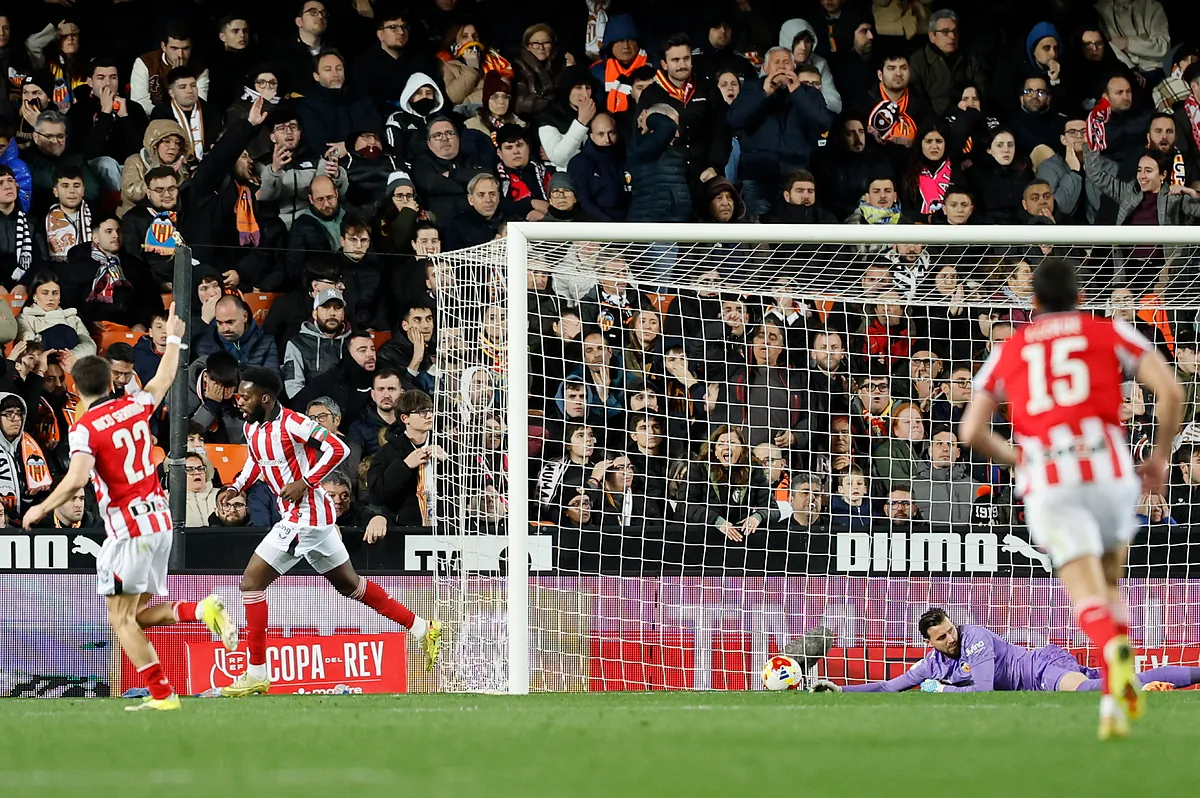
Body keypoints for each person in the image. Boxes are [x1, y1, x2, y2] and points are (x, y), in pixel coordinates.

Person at [959, 256, 1184, 738]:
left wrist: (1019, 458)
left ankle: (1113, 668)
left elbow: (971, 429)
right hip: (1109, 467)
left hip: (1052, 475)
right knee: (1110, 581)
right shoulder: (1108, 332)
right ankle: (1114, 700)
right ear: (1082, 297)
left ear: (1033, 302)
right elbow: (1170, 390)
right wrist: (1161, 458)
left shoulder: (1014, 344)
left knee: (1085, 592)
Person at [20, 304, 235, 711]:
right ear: (110, 382)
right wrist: (173, 337)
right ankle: (203, 609)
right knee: (134, 616)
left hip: (130, 529)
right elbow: (166, 376)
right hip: (160, 522)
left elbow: (77, 478)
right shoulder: (135, 404)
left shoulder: (85, 427)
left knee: (119, 621)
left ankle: (163, 696)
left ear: (78, 388)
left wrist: (40, 508)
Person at [217, 367, 441, 697]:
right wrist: (236, 485)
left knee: (251, 584)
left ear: (265, 398)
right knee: (351, 586)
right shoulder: (252, 427)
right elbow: (256, 460)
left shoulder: (294, 423)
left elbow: (338, 449)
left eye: (246, 395)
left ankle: (256, 673)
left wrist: (305, 481)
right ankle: (422, 627)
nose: (239, 401)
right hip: (310, 518)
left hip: (305, 517)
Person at [809, 608, 1200, 694]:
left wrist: (942, 691)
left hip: (1041, 669)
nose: (951, 639)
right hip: (1044, 673)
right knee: (1124, 680)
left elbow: (982, 691)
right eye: (942, 637)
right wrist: (840, 691)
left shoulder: (974, 636)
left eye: (949, 630)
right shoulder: (932, 662)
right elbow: (889, 687)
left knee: (1092, 694)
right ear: (928, 643)